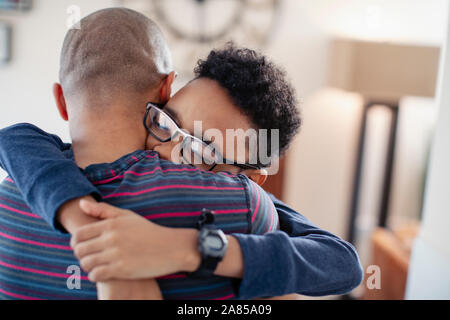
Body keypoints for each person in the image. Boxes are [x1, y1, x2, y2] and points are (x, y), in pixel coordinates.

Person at [0, 8, 363, 300]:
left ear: (249, 178)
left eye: (200, 151)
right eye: (166, 123)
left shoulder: (243, 204)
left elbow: (342, 262)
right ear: (162, 95)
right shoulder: (241, 206)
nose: (168, 152)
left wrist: (186, 248)